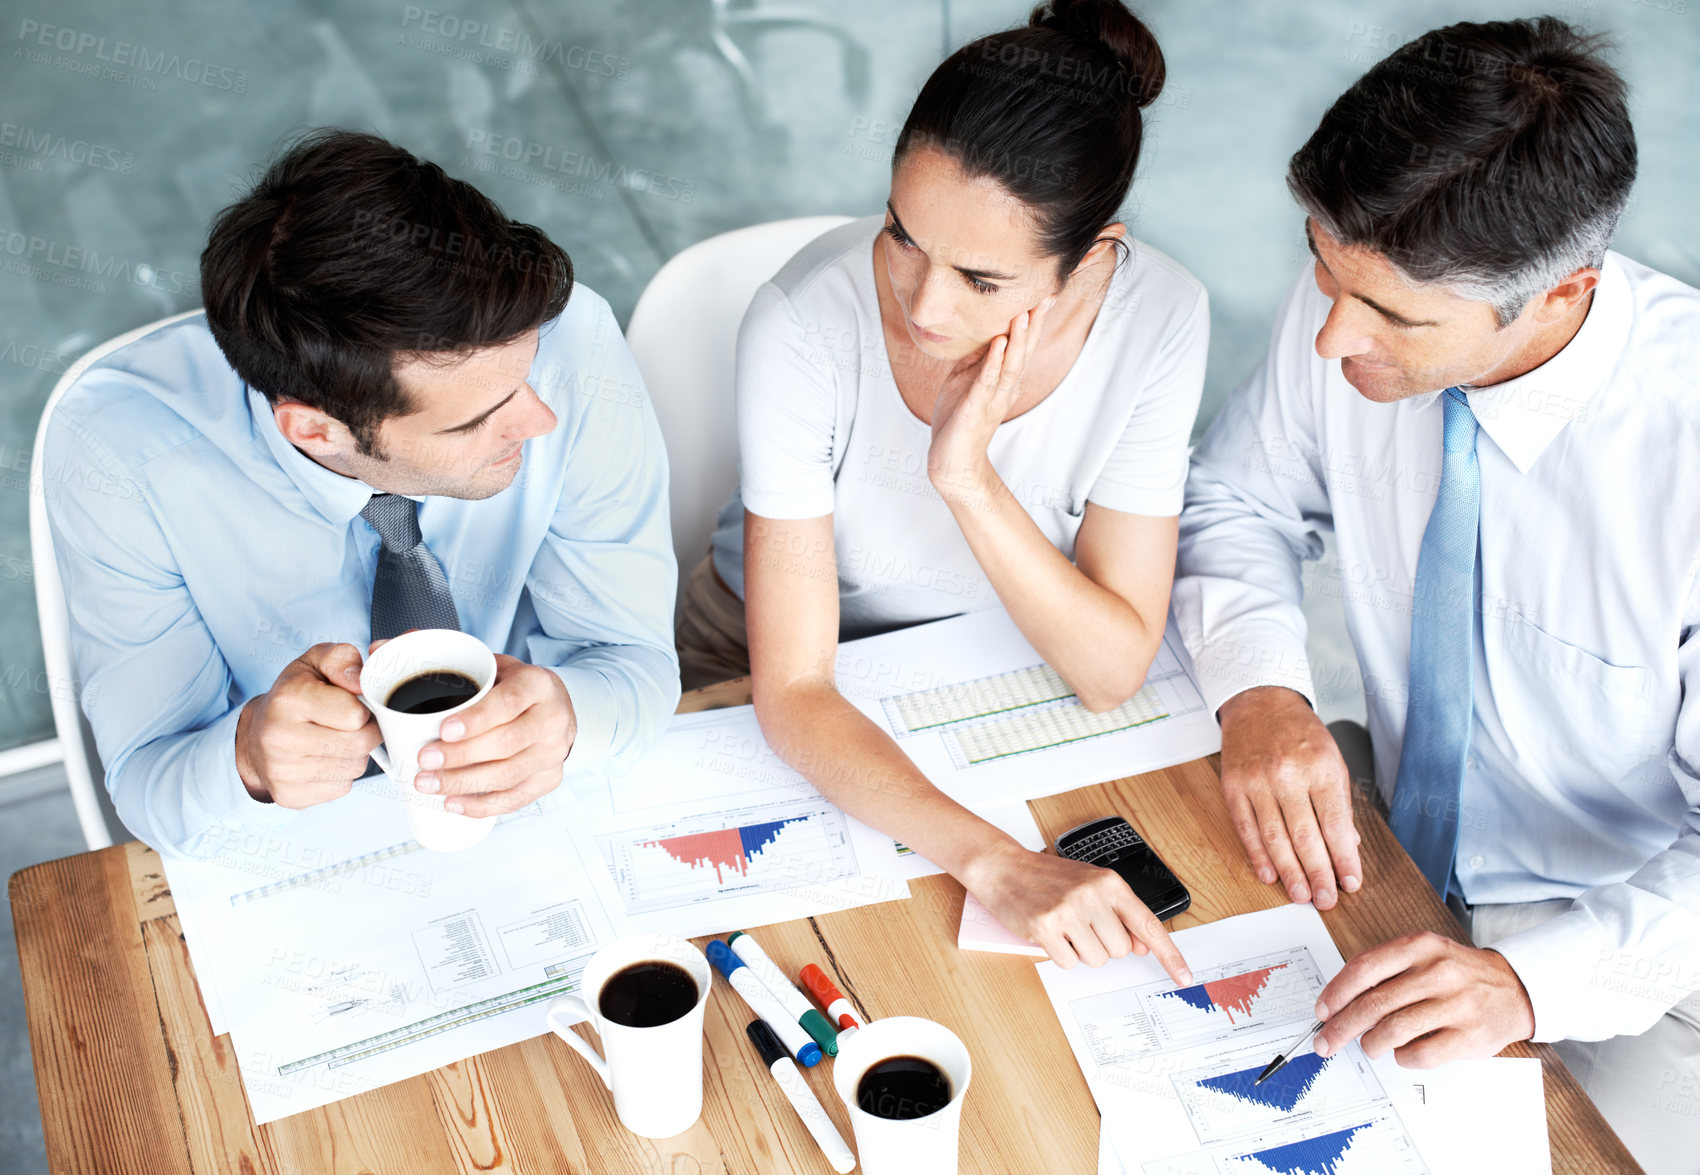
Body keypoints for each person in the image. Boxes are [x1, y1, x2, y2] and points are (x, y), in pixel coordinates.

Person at [1172, 19, 1699, 1172]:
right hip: (1396, 843)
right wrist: (1260, 692)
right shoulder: (1370, 290)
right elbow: (1234, 505)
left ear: (1562, 291)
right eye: (1320, 268)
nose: (1326, 338)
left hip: (1640, 950)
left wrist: (1524, 982)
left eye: (1393, 319)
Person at [676, 0, 1207, 981]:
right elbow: (793, 691)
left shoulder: (1161, 316)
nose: (923, 304)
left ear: (1090, 257)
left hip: (984, 656)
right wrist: (994, 863)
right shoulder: (800, 320)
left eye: (980, 278)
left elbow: (1108, 665)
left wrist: (965, 480)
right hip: (766, 647)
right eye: (900, 234)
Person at [43, 130, 679, 858]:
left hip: (541, 817)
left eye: (525, 376)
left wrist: (570, 718)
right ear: (316, 431)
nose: (541, 419)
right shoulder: (121, 452)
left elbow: (633, 660)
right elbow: (148, 781)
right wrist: (248, 760)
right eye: (475, 418)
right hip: (295, 848)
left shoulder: (572, 343)